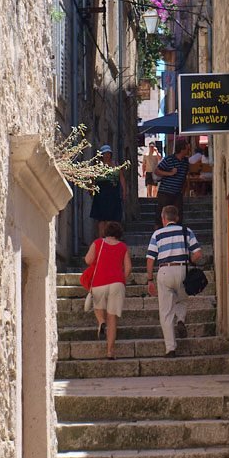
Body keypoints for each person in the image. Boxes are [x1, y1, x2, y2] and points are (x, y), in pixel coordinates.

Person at [146, 205, 203, 357]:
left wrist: (149, 279)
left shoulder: (157, 234)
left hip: (164, 270)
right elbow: (198, 253)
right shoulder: (186, 231)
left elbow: (150, 258)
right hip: (182, 269)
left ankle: (170, 348)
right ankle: (181, 319)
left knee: (165, 312)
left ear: (163, 218)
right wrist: (189, 260)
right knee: (182, 299)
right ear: (177, 218)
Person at [84, 221, 132, 360]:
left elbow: (88, 260)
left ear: (105, 232)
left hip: (99, 282)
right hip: (117, 283)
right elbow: (128, 269)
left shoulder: (98, 243)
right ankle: (110, 352)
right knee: (112, 318)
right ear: (119, 234)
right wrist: (120, 278)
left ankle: (100, 322)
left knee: (98, 308)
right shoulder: (123, 247)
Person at [90, 145, 127, 238]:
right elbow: (92, 179)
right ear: (101, 155)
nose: (107, 155)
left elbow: (121, 178)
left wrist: (124, 191)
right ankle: (101, 239)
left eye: (108, 153)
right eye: (105, 153)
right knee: (101, 219)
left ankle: (110, 237)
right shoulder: (97, 166)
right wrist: (91, 189)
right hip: (101, 194)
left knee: (112, 218)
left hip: (113, 194)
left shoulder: (116, 165)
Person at [152, 140, 191, 228]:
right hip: (165, 192)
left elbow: (184, 177)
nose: (189, 150)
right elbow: (157, 171)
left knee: (178, 214)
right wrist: (170, 173)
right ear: (182, 149)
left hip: (177, 193)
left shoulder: (185, 162)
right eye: (187, 148)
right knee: (161, 214)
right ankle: (158, 232)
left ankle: (177, 231)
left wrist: (183, 190)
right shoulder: (169, 159)